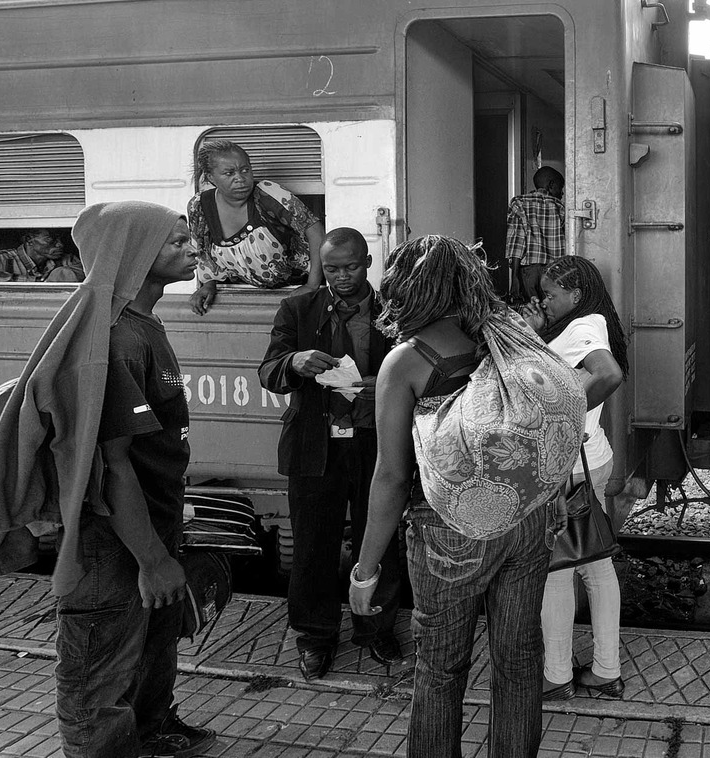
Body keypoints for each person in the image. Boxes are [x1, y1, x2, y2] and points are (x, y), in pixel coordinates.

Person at [0, 201, 215, 757]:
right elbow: (113, 464)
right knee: (97, 673)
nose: (193, 249)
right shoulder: (115, 340)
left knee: (152, 643)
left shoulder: (142, 324)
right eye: (177, 242)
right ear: (137, 254)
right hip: (113, 541)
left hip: (152, 520)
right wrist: (153, 559)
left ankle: (151, 732)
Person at [348, 235, 571, 758]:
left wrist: (365, 568)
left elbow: (392, 477)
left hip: (450, 531)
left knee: (440, 670)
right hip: (528, 519)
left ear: (406, 287)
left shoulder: (407, 361)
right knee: (518, 661)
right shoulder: (507, 335)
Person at [258, 227, 403, 680]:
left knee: (379, 540)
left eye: (351, 266)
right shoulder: (297, 309)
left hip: (375, 443)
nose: (341, 277)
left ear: (368, 264)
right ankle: (315, 636)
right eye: (332, 268)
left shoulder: (393, 313)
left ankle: (375, 629)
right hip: (313, 446)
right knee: (312, 546)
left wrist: (375, 384)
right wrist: (293, 363)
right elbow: (268, 371)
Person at [520, 256, 628, 702]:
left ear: (576, 295)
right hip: (590, 460)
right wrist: (533, 331)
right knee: (595, 568)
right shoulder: (585, 321)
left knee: (556, 572)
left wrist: (564, 421)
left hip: (569, 470)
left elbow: (607, 374)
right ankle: (605, 670)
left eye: (550, 294)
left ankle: (559, 673)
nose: (543, 300)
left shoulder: (585, 328)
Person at [187, 139, 325, 314]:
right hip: (248, 293)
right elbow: (202, 251)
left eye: (245, 170)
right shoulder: (200, 206)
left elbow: (315, 231)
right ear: (210, 177)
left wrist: (312, 285)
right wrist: (208, 284)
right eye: (229, 173)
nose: (240, 178)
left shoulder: (267, 193)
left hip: (296, 286)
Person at [506, 166, 566, 303]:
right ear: (551, 185)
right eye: (560, 188)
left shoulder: (519, 204)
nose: (561, 193)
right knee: (553, 311)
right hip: (555, 271)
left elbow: (517, 242)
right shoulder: (560, 208)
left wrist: (514, 278)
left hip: (529, 271)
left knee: (533, 310)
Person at [0, 228, 84, 282]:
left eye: (60, 239)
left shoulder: (65, 259)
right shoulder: (4, 259)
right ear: (29, 240)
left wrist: (59, 274)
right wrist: (28, 282)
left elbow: (89, 273)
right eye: (51, 240)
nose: (60, 244)